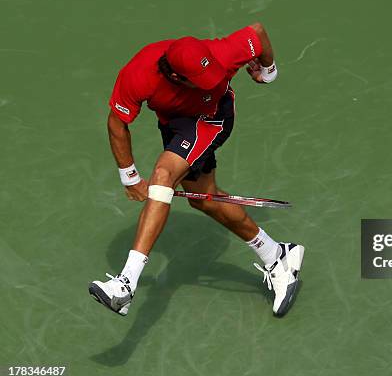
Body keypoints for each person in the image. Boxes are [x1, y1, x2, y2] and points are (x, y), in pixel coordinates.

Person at [88, 22, 304, 317]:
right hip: (175, 124)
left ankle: (125, 284)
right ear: (175, 76)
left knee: (163, 175)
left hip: (211, 118)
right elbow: (117, 122)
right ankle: (277, 255)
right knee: (203, 198)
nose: (212, 79)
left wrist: (268, 70)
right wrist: (130, 176)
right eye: (201, 78)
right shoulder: (138, 74)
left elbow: (258, 32)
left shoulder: (222, 52)